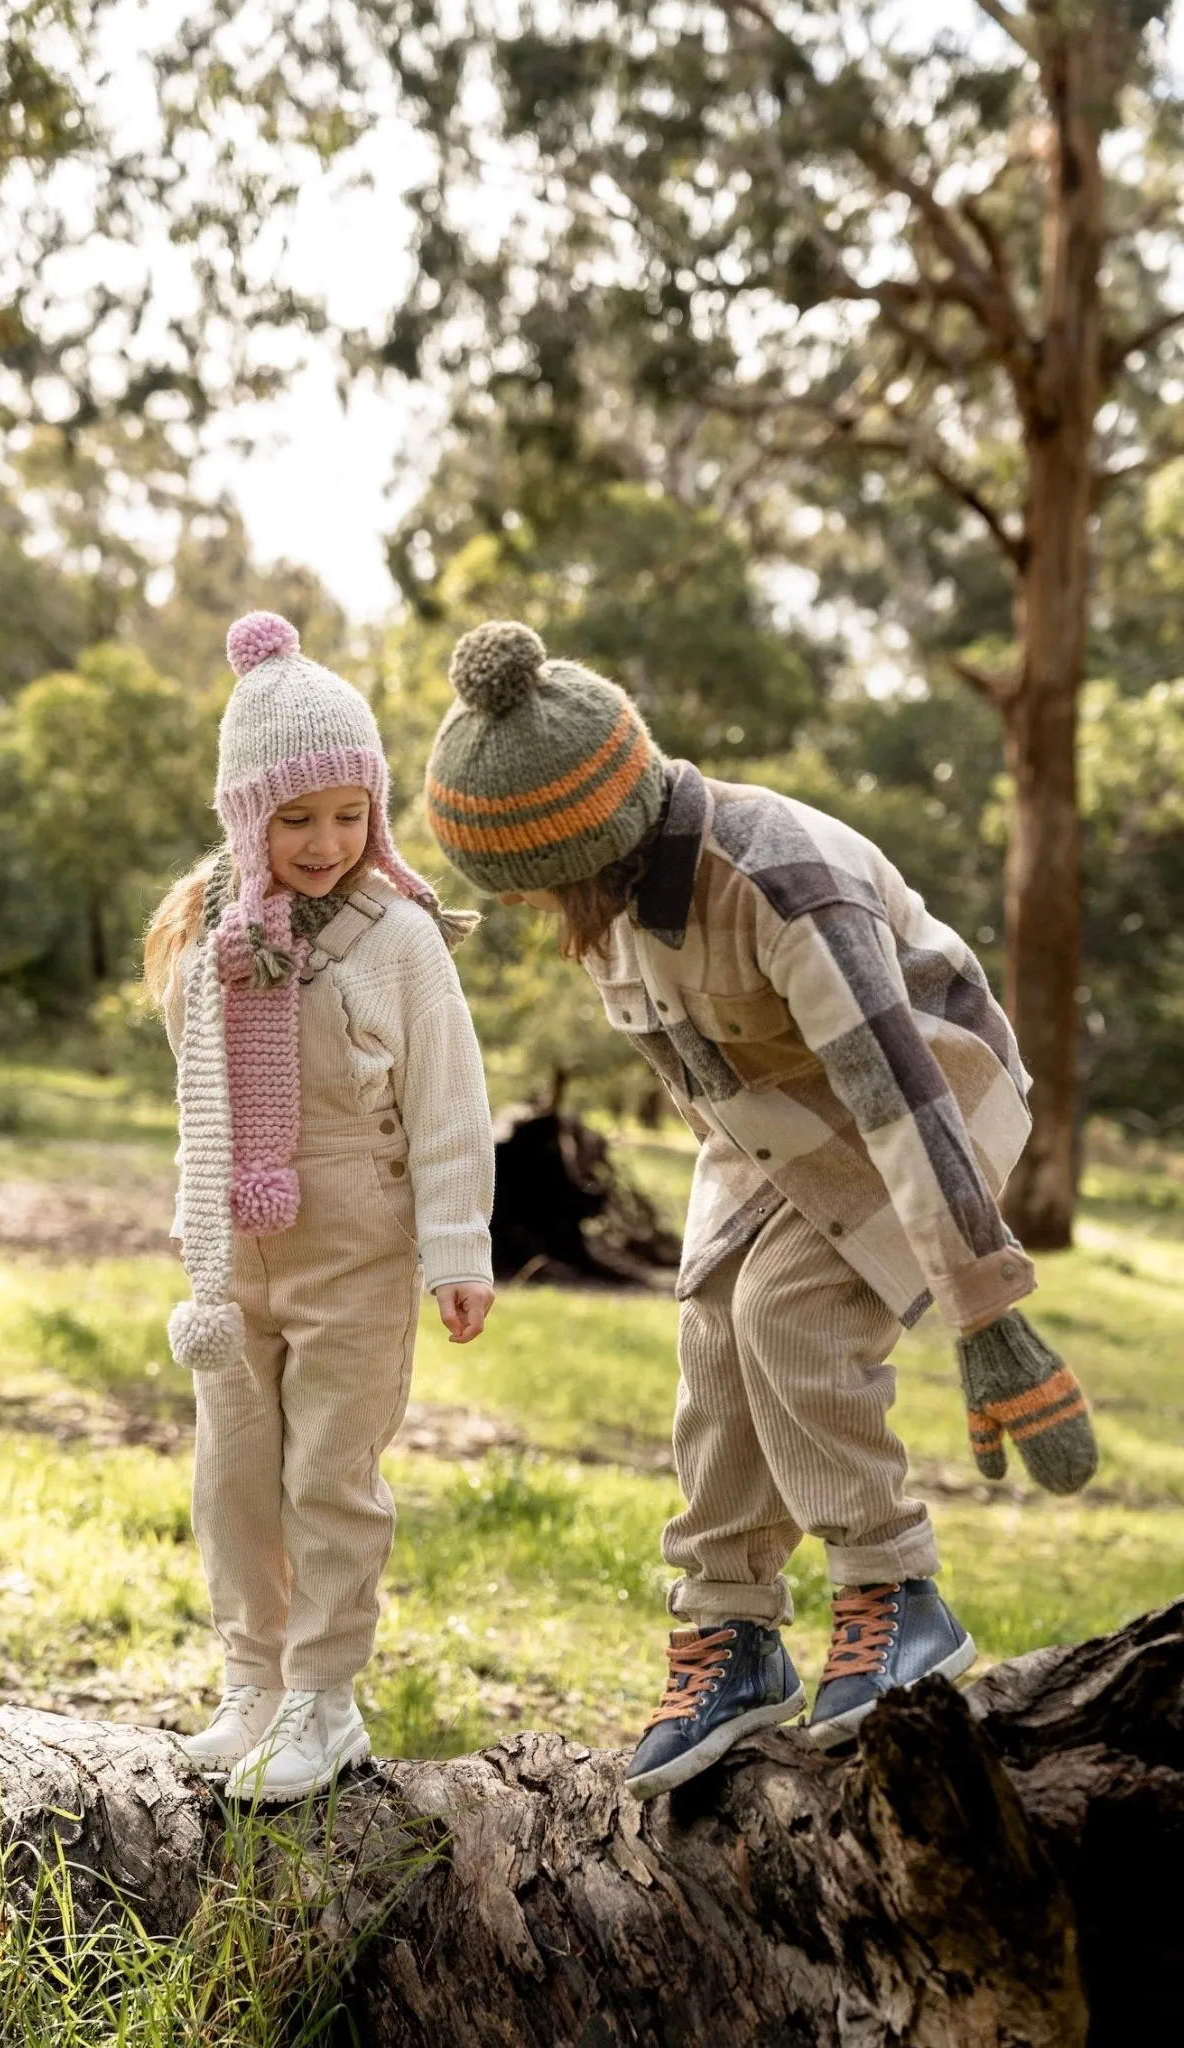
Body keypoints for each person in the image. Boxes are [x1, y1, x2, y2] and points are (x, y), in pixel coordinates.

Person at [422, 618, 1095, 1800]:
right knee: (714, 1324)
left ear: (600, 837)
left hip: (925, 1091)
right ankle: (730, 1632)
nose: (539, 910)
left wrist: (985, 1306)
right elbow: (715, 1084)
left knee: (791, 1309)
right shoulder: (611, 895)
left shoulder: (780, 880)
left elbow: (898, 1095)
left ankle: (900, 1595)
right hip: (769, 1113)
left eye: (541, 884)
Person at [145, 610, 495, 1802]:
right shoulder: (213, 929)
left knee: (329, 1475)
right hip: (235, 1257)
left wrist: (458, 1247)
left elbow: (451, 1104)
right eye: (296, 818)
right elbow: (202, 1090)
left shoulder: (400, 937)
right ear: (247, 815)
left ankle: (325, 1696)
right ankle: (252, 1677)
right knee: (235, 1473)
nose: (325, 839)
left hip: (355, 1249)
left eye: (350, 813)